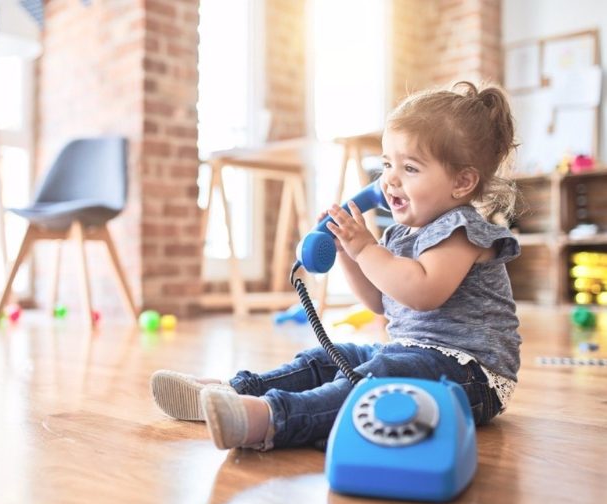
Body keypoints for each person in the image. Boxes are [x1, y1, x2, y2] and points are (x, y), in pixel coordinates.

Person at [151, 81, 521, 451]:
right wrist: (346, 251)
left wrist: (364, 248)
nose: (389, 179)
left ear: (462, 181)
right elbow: (380, 301)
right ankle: (232, 391)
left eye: (410, 168)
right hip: (412, 356)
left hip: (473, 378)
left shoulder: (462, 232)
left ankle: (269, 418)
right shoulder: (400, 235)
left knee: (377, 379)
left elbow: (422, 292)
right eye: (387, 163)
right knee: (329, 357)